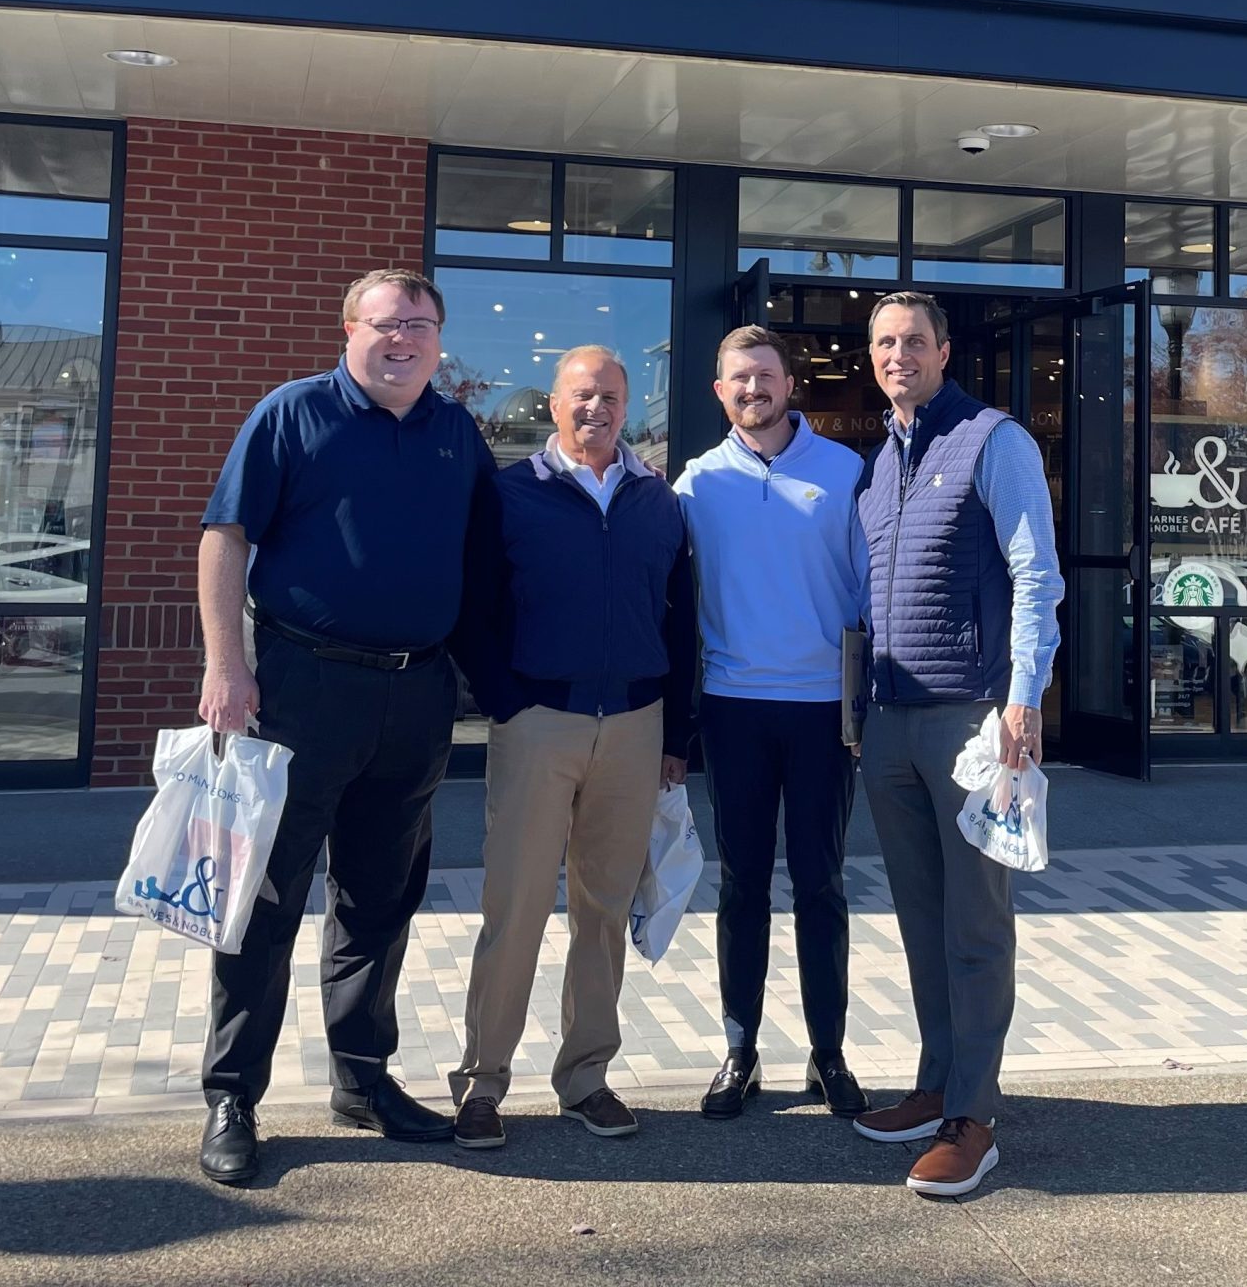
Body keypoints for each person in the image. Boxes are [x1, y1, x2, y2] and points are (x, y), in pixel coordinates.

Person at [193, 269, 501, 1187]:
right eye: (386, 323)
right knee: (266, 898)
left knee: (380, 898)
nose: (403, 338)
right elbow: (224, 538)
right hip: (298, 689)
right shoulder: (291, 414)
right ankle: (232, 1094)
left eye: (421, 324)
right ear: (348, 329)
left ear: (440, 342)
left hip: (416, 697)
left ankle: (362, 1080)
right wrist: (225, 666)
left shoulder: (456, 432)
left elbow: (490, 559)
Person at [450, 345, 699, 1149]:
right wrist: (507, 703)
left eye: (612, 398)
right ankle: (483, 1083)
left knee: (602, 914)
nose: (597, 409)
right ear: (554, 405)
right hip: (538, 724)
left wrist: (676, 736)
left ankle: (586, 1077)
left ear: (628, 408)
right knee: (515, 908)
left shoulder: (659, 502)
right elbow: (472, 611)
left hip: (634, 728)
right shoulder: (507, 494)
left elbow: (679, 622)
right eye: (583, 396)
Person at [848, 291, 1059, 1199]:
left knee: (975, 925)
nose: (899, 355)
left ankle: (975, 1117)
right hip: (889, 724)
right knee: (923, 922)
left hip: (970, 720)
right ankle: (936, 1088)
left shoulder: (993, 440)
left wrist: (1023, 700)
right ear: (873, 357)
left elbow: (1034, 572)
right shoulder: (878, 462)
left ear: (943, 350)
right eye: (884, 343)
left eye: (914, 342)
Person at [673, 324, 869, 1121]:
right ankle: (740, 1048)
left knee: (821, 885)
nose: (752, 389)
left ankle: (828, 1054)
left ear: (791, 385)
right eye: (737, 379)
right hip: (733, 709)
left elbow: (869, 593)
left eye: (765, 375)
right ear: (719, 392)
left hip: (824, 710)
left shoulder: (848, 472)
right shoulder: (694, 484)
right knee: (741, 884)